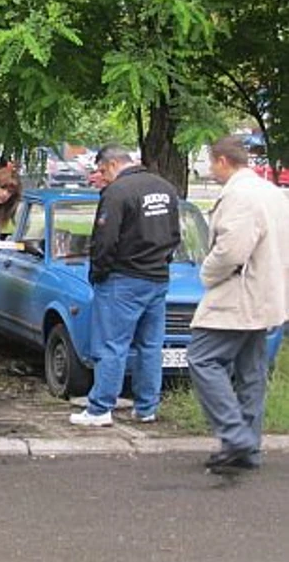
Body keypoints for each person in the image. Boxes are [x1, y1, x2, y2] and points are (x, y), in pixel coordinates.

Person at [187, 136, 289, 472]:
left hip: (238, 293)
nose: (211, 170)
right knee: (251, 372)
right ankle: (248, 448)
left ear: (222, 161)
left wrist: (207, 273)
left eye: (211, 163)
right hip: (266, 292)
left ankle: (235, 435)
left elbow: (231, 251)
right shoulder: (271, 192)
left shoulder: (240, 195)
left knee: (202, 358)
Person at [70, 144, 181, 427]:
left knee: (111, 346)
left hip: (122, 280)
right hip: (158, 278)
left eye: (101, 171)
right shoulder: (166, 188)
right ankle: (146, 408)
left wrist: (98, 272)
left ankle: (100, 409)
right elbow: (175, 235)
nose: (101, 177)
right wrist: (160, 263)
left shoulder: (117, 192)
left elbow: (105, 240)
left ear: (111, 164)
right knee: (150, 346)